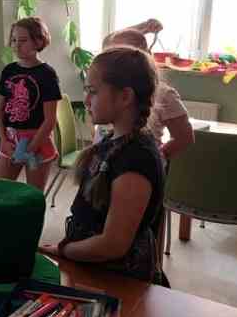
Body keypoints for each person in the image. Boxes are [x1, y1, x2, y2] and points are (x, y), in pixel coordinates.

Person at [39, 47, 166, 283]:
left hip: (118, 279)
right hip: (93, 266)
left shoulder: (136, 160)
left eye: (93, 92)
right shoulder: (112, 140)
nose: (86, 100)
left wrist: (64, 250)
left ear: (125, 97)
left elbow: (113, 244)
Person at [103, 21, 194, 161]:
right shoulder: (109, 86)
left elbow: (185, 137)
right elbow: (108, 40)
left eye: (119, 54)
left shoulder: (163, 93)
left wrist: (156, 157)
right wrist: (143, 27)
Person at [0, 17, 62, 191]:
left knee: (33, 197)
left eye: (23, 40)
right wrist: (3, 140)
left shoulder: (47, 74)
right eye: (14, 40)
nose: (17, 45)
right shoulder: (9, 70)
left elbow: (50, 120)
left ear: (38, 41)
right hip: (10, 140)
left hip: (38, 141)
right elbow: (0, 110)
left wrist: (31, 148)